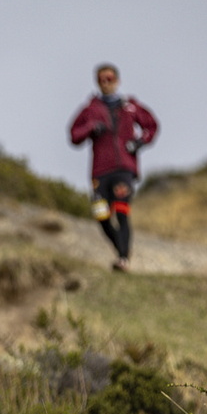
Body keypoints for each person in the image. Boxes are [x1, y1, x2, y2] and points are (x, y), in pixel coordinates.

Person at [69, 63, 158, 272]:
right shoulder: (89, 110)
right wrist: (91, 127)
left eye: (110, 79)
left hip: (124, 169)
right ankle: (121, 250)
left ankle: (123, 259)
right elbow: (74, 135)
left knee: (122, 210)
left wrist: (139, 142)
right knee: (101, 215)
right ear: (96, 82)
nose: (106, 83)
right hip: (100, 171)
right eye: (101, 80)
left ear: (117, 81)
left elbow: (152, 125)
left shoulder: (130, 106)